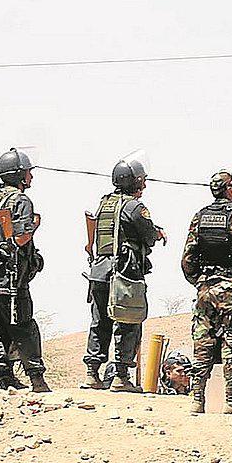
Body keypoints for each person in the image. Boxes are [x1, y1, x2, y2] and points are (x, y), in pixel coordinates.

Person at [181, 170, 232, 416]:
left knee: (202, 342)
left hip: (205, 288)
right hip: (231, 286)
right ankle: (231, 400)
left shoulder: (200, 216)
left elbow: (187, 257)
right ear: (229, 189)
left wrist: (199, 281)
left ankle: (197, 400)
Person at [83, 157, 164, 392]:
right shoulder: (135, 207)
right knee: (128, 321)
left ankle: (92, 374)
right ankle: (120, 376)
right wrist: (157, 234)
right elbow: (148, 236)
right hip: (125, 272)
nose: (144, 186)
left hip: (99, 271)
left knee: (99, 322)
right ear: (134, 182)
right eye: (142, 181)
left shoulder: (104, 204)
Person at [0, 148, 49, 392]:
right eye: (28, 172)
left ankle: (0, 377)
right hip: (9, 273)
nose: (31, 177)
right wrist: (35, 227)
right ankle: (37, 380)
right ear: (19, 175)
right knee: (23, 325)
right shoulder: (20, 200)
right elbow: (19, 238)